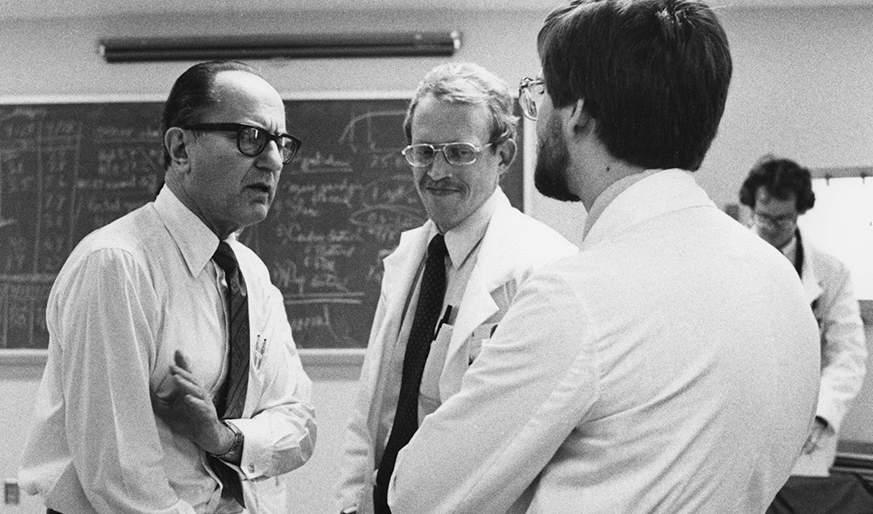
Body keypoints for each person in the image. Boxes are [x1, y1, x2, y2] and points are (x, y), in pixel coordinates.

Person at [389, 1, 820, 513]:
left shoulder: (575, 298)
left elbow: (417, 494)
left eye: (542, 92)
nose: (536, 112)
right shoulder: (779, 281)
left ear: (580, 113)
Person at [18, 60, 316, 514]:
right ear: (180, 149)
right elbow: (121, 478)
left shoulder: (251, 276)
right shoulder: (117, 265)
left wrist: (223, 436)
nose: (273, 160)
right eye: (250, 137)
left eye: (280, 143)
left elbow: (299, 424)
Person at [333, 62, 576, 514]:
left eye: (459, 152)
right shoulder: (408, 261)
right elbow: (371, 417)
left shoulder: (544, 270)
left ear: (502, 155)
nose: (436, 170)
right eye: (423, 151)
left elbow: (530, 446)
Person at [739, 156, 867, 477]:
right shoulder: (728, 258)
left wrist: (822, 414)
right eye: (762, 217)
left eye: (782, 220)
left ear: (799, 213)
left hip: (806, 425)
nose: (769, 227)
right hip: (740, 416)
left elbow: (848, 354)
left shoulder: (831, 274)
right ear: (752, 206)